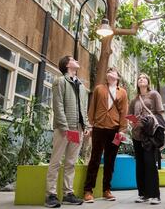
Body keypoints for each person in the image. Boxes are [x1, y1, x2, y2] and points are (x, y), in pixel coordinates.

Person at [45, 56, 90, 208]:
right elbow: (57, 105)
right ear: (66, 65)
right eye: (73, 59)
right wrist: (64, 127)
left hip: (78, 128)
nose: (77, 60)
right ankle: (51, 195)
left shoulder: (82, 87)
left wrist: (86, 126)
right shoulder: (60, 81)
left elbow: (83, 108)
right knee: (56, 161)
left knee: (71, 162)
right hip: (64, 128)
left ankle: (68, 194)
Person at [83, 67, 128, 203]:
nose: (110, 73)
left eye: (113, 72)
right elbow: (92, 107)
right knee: (95, 159)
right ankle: (88, 190)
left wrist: (122, 129)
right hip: (99, 127)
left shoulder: (123, 92)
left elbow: (124, 112)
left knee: (110, 161)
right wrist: (90, 124)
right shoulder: (99, 89)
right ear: (106, 76)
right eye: (108, 72)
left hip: (114, 130)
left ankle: (106, 190)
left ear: (118, 77)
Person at [129, 73, 165, 205]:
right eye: (139, 78)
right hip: (137, 135)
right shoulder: (134, 100)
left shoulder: (154, 95)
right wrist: (135, 122)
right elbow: (130, 116)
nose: (141, 79)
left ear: (148, 82)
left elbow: (160, 113)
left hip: (150, 135)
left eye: (144, 78)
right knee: (140, 165)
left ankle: (155, 195)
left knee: (150, 163)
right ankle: (143, 194)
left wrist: (153, 124)